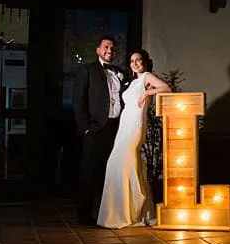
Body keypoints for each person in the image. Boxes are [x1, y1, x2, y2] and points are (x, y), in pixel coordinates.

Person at [97, 50, 171, 228]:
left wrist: (147, 93)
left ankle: (132, 210)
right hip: (125, 124)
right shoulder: (133, 81)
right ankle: (125, 211)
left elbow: (167, 87)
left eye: (139, 60)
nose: (135, 63)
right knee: (118, 163)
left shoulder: (147, 76)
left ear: (145, 62)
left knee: (125, 161)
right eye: (132, 61)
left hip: (135, 124)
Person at [72, 36, 127, 225]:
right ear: (98, 50)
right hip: (95, 129)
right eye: (106, 47)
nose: (109, 50)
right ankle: (84, 216)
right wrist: (85, 128)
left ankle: (106, 214)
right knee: (88, 172)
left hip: (116, 129)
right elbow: (78, 101)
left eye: (112, 48)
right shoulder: (87, 70)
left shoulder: (120, 72)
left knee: (108, 172)